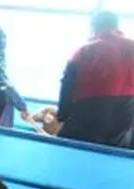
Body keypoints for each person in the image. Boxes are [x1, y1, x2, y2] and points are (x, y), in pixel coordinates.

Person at [55, 10, 134, 149]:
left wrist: (62, 114)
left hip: (89, 110)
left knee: (66, 151)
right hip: (126, 111)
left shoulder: (85, 50)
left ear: (93, 27)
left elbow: (67, 84)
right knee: (115, 157)